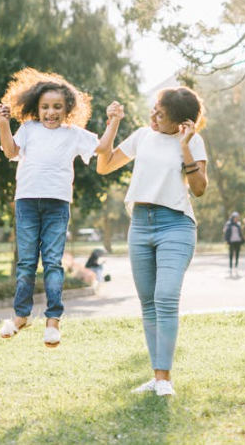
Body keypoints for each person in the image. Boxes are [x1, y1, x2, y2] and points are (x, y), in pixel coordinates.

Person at [0, 68, 123, 348]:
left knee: (53, 262)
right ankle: (21, 316)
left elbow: (102, 147)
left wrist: (113, 121)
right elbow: (10, 151)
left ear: (68, 109)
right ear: (36, 108)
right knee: (27, 262)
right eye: (45, 107)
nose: (50, 112)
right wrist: (3, 124)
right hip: (27, 202)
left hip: (57, 204)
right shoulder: (29, 129)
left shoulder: (73, 133)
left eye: (57, 107)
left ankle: (53, 322)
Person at [97, 86, 208, 397]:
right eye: (155, 110)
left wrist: (185, 146)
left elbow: (199, 188)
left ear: (182, 123)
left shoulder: (193, 140)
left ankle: (164, 379)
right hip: (141, 225)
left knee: (166, 297)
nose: (154, 117)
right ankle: (157, 377)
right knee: (148, 304)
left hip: (176, 225)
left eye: (162, 115)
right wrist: (113, 123)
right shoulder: (143, 136)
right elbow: (103, 166)